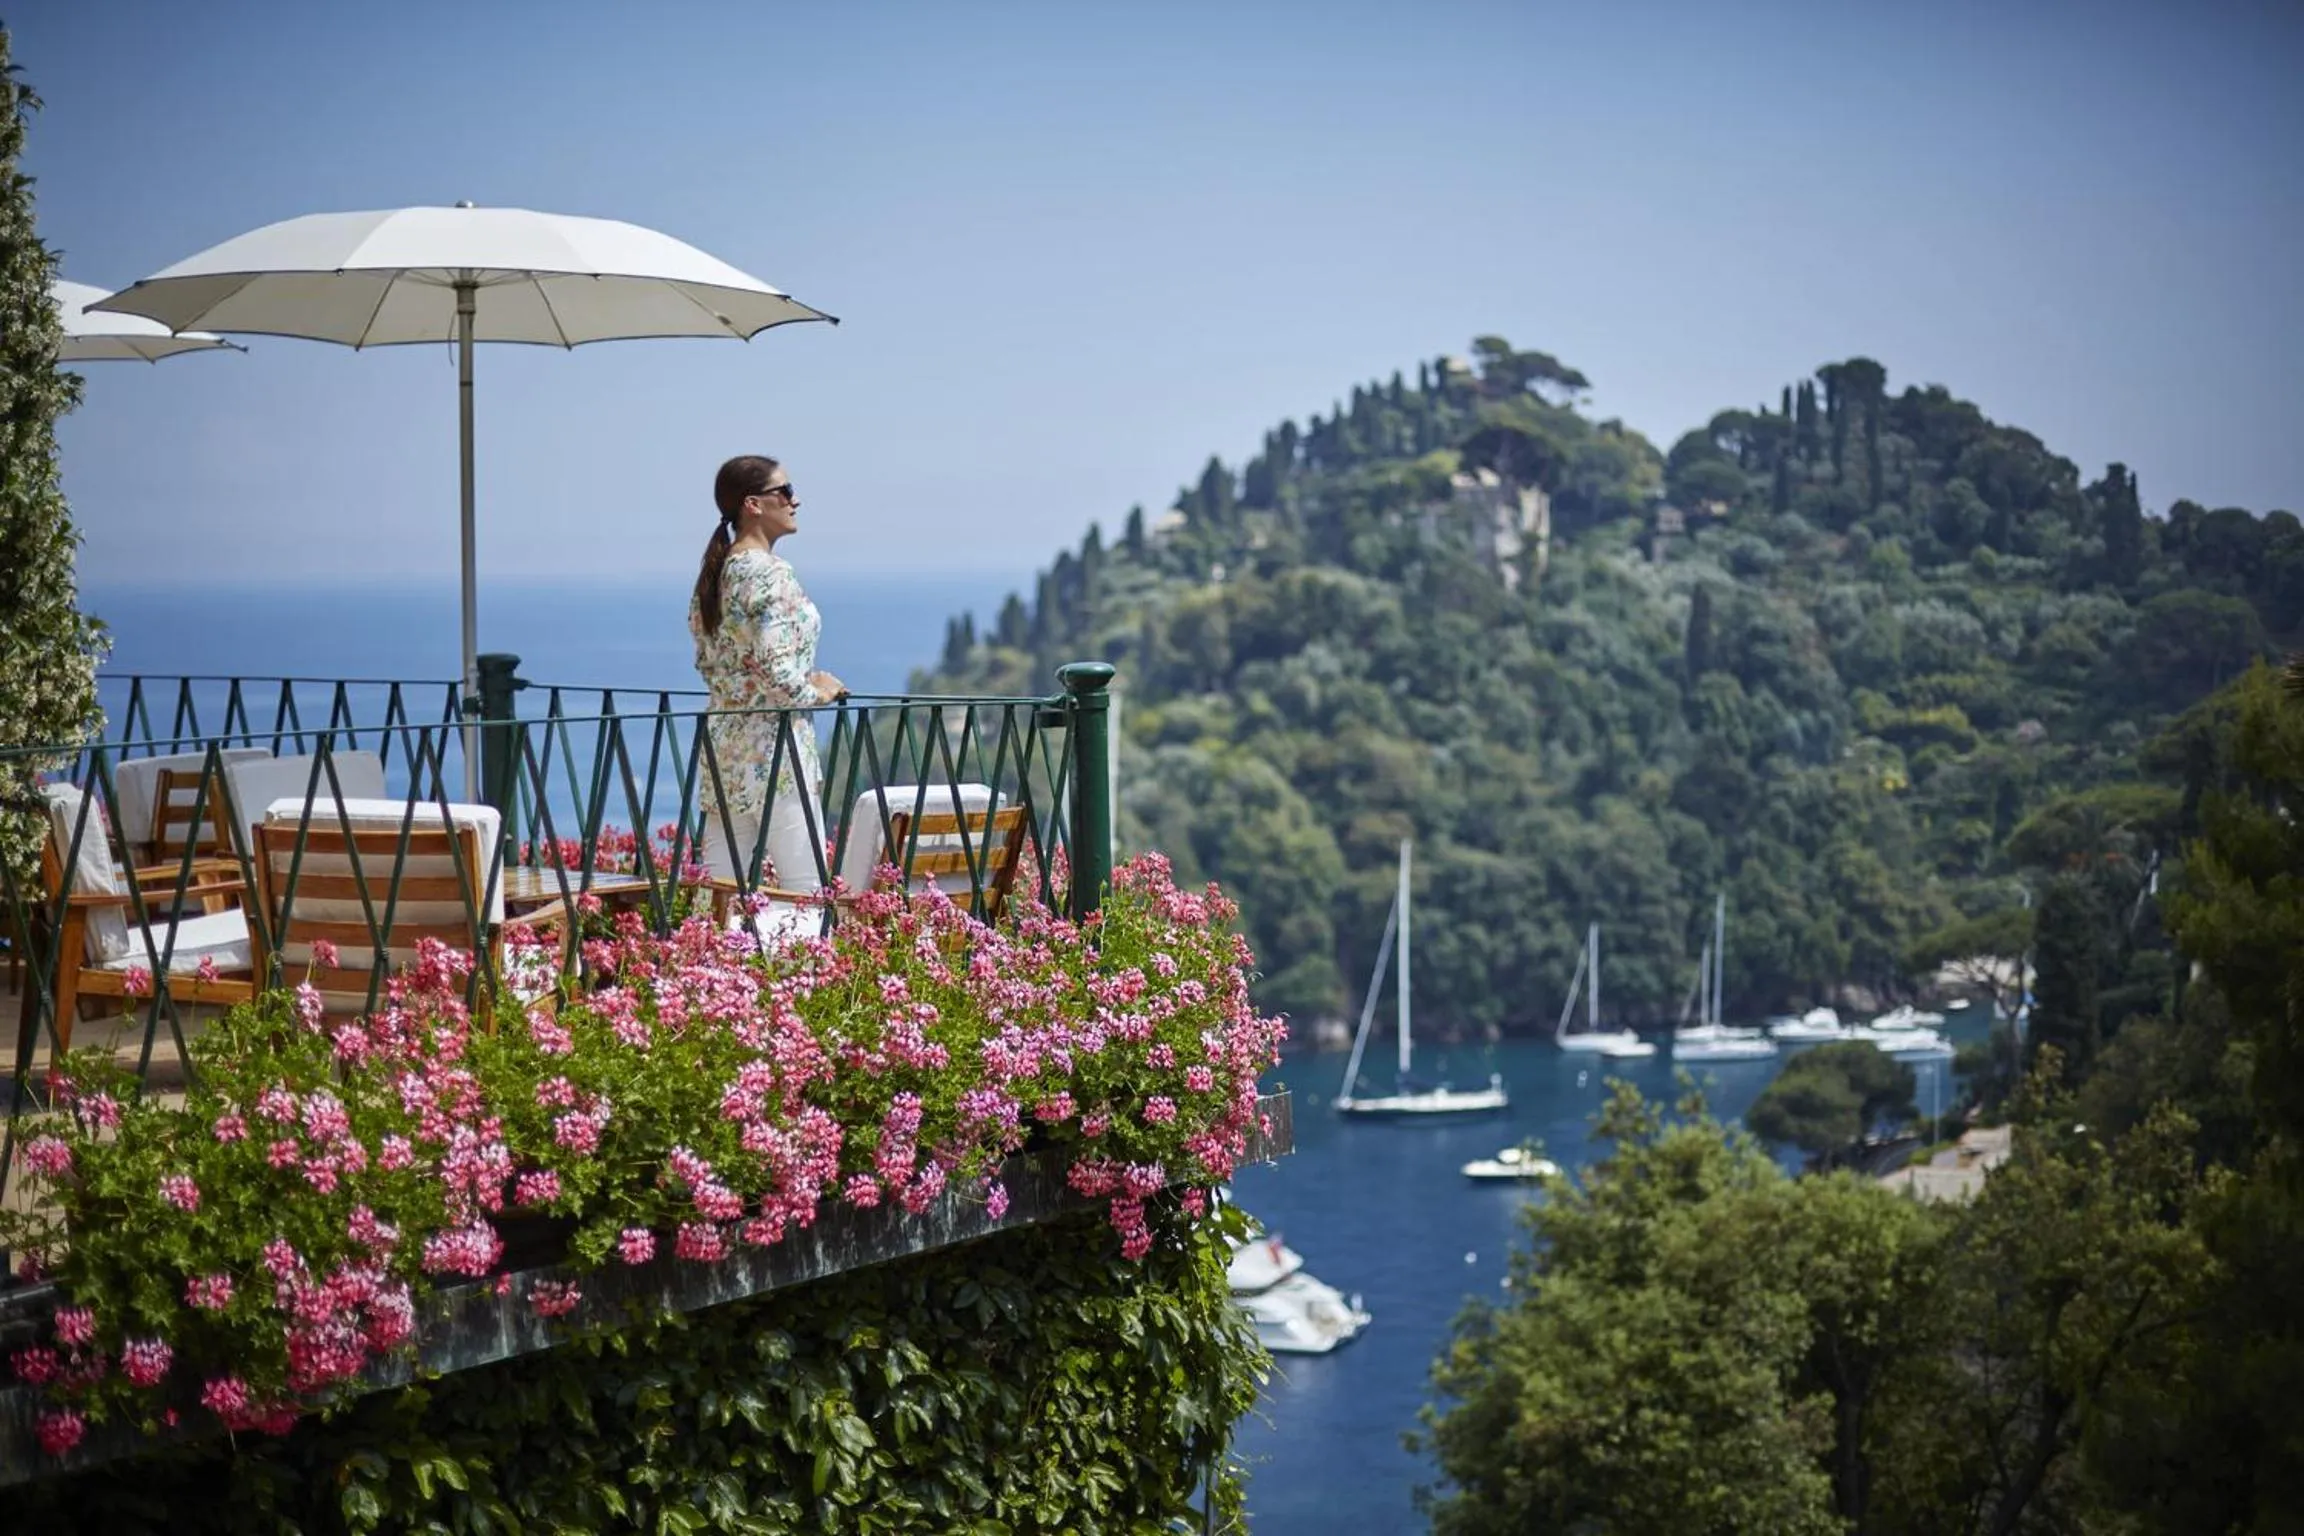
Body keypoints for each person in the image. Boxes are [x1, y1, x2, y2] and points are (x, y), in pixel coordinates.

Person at [688, 454, 847, 892]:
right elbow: (777, 673)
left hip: (725, 745)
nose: (795, 501)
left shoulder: (716, 574)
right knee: (807, 889)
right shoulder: (768, 574)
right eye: (785, 492)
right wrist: (819, 691)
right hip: (776, 751)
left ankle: (703, 961)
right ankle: (809, 964)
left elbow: (711, 660)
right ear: (753, 504)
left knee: (719, 893)